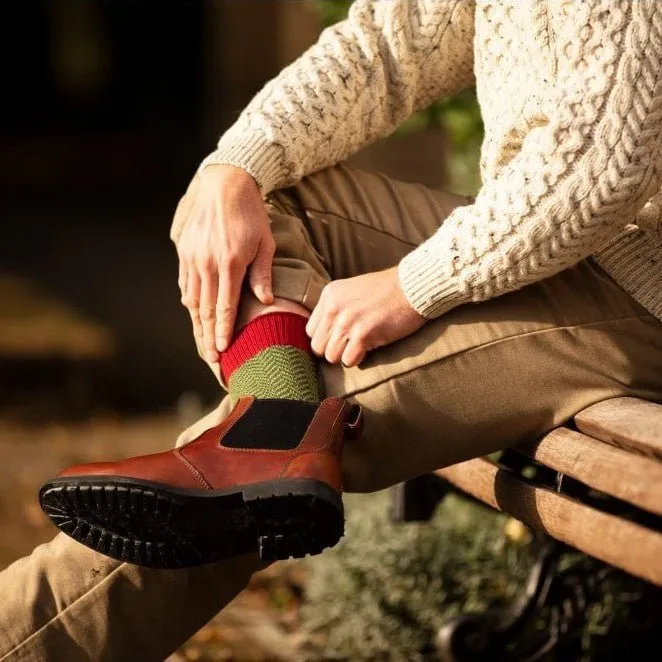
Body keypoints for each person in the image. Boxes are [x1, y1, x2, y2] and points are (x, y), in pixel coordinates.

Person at [3, 0, 662, 659]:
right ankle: (277, 426)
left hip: (640, 290)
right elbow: (387, 45)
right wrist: (234, 167)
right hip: (569, 247)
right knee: (246, 211)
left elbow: (603, 164)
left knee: (240, 477)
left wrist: (412, 285)